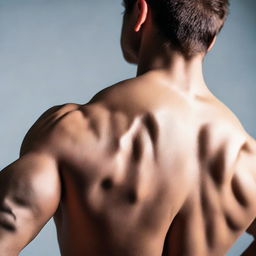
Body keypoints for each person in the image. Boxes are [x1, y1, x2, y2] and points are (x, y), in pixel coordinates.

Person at [0, 0, 255, 255]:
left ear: (139, 14)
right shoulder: (247, 160)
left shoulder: (71, 131)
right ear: (210, 41)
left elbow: (8, 227)